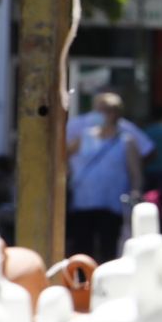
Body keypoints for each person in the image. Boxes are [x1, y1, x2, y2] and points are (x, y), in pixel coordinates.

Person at [66, 91, 142, 262]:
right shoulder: (83, 137)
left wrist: (136, 191)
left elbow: (135, 172)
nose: (101, 114)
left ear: (116, 113)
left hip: (111, 204)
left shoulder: (126, 141)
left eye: (106, 110)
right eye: (99, 110)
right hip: (83, 203)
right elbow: (63, 158)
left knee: (108, 248)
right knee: (82, 248)